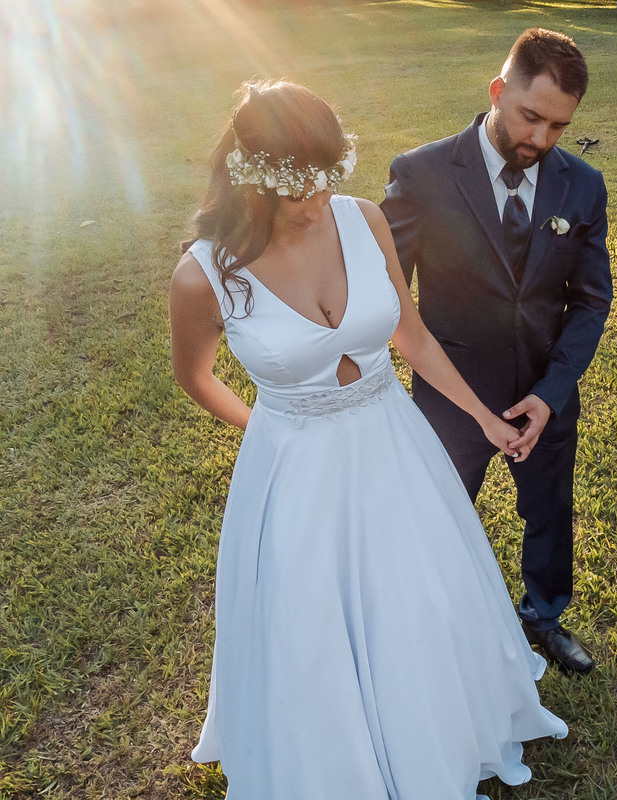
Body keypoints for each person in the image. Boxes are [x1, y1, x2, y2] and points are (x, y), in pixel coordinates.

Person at [168, 78, 566, 800]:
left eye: (328, 180)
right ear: (255, 179)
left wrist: (481, 416)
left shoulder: (361, 220)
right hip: (293, 465)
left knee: (414, 596)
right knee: (310, 621)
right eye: (298, 190)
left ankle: (432, 729)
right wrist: (269, 428)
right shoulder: (204, 275)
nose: (317, 202)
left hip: (390, 441)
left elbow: (409, 335)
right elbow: (195, 376)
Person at [381, 28, 612, 676]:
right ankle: (430, 629)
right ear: (496, 91)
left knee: (549, 514)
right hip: (451, 400)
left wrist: (549, 394)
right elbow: (382, 295)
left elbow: (590, 302)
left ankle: (543, 616)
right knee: (437, 521)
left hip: (545, 396)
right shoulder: (421, 173)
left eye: (558, 127)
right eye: (529, 116)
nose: (540, 139)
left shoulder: (582, 187)